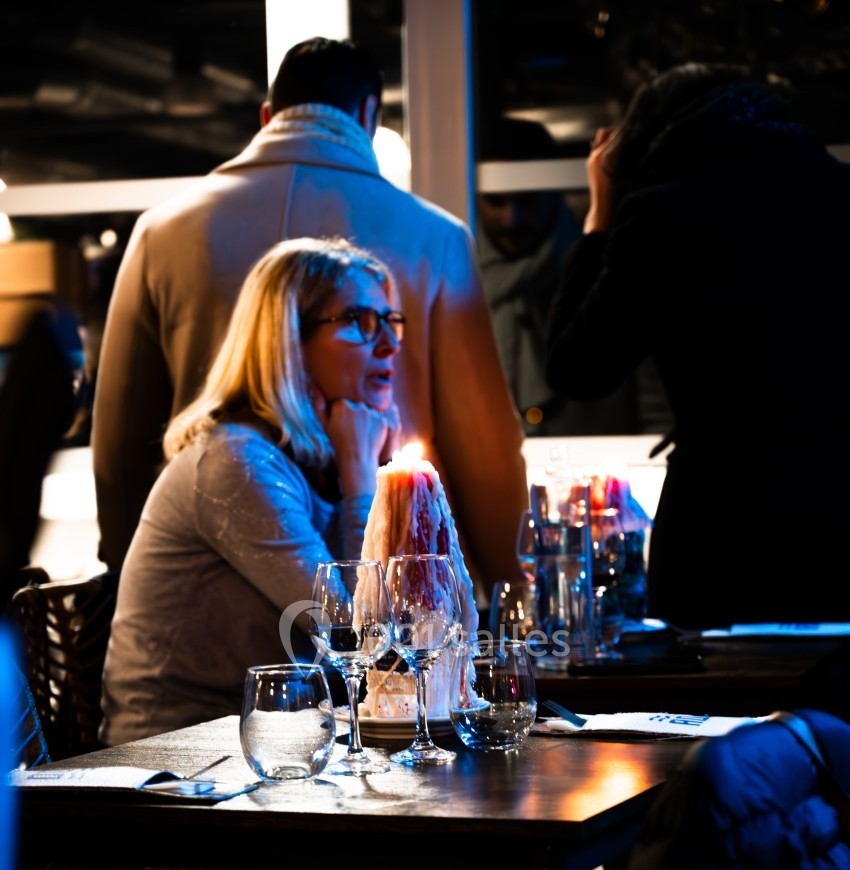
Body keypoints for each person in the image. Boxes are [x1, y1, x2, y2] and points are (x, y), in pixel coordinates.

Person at [91, 36, 528, 606]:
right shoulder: (434, 235)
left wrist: (127, 576)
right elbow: (483, 449)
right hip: (380, 581)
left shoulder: (161, 230)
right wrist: (510, 587)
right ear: (369, 115)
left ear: (267, 117)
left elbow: (121, 443)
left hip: (213, 587)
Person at [544, 63, 850, 629]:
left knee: (714, 704)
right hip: (838, 506)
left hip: (722, 520)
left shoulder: (665, 211)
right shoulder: (839, 193)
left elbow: (577, 367)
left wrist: (598, 219)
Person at [99, 236, 402, 746]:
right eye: (357, 320)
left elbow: (405, 619)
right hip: (176, 762)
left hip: (277, 739)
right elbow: (358, 635)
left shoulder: (307, 456)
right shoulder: (235, 461)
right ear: (287, 342)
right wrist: (360, 473)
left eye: (389, 322)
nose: (390, 345)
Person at [476, 115, 639, 436]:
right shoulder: (458, 278)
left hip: (598, 458)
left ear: (554, 193)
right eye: (496, 200)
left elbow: (646, 384)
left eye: (527, 199)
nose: (512, 219)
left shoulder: (599, 262)